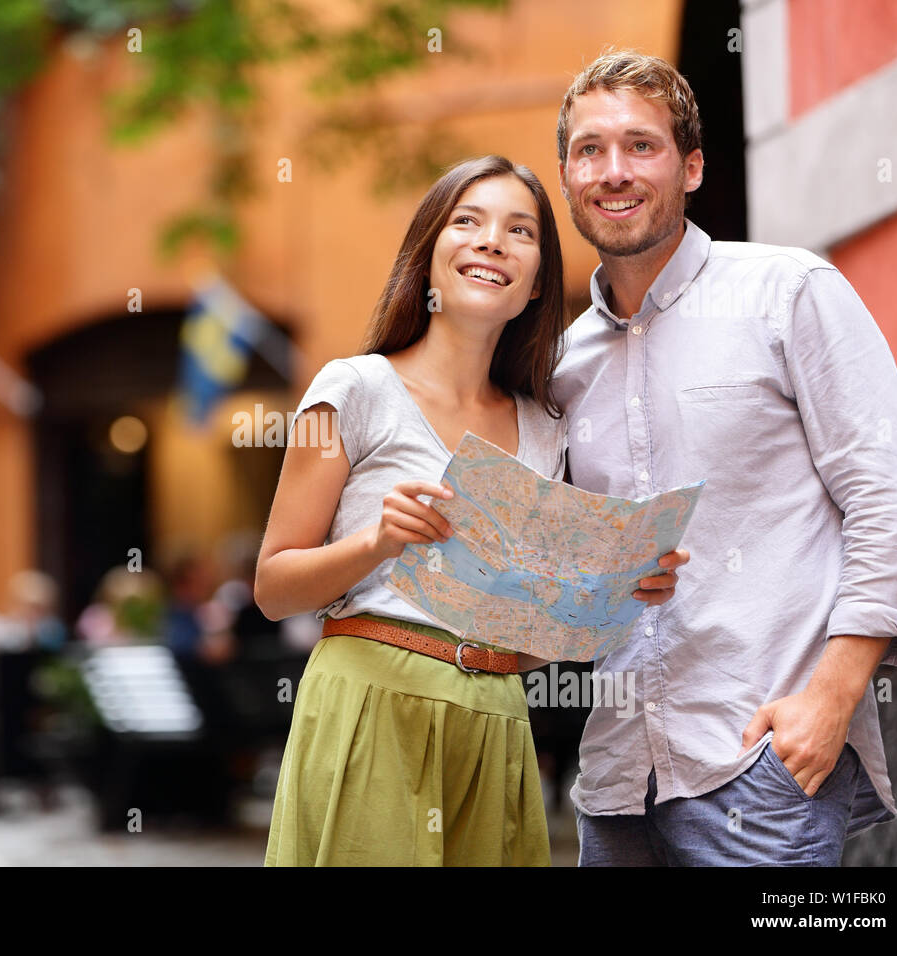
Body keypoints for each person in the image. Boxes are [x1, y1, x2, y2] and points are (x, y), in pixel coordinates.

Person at [550, 50, 897, 866]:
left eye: (640, 145)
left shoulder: (787, 291)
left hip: (757, 766)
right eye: (590, 150)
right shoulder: (563, 362)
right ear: (567, 175)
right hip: (618, 783)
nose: (613, 171)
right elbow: (568, 573)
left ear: (691, 166)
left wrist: (829, 700)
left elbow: (894, 492)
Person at [254, 154, 688, 866]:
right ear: (427, 257)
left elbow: (523, 639)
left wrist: (617, 597)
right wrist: (376, 543)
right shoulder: (354, 388)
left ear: (537, 281)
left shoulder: (547, 424)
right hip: (372, 702)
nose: (492, 241)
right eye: (468, 221)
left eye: (520, 231)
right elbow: (273, 589)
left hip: (496, 715)